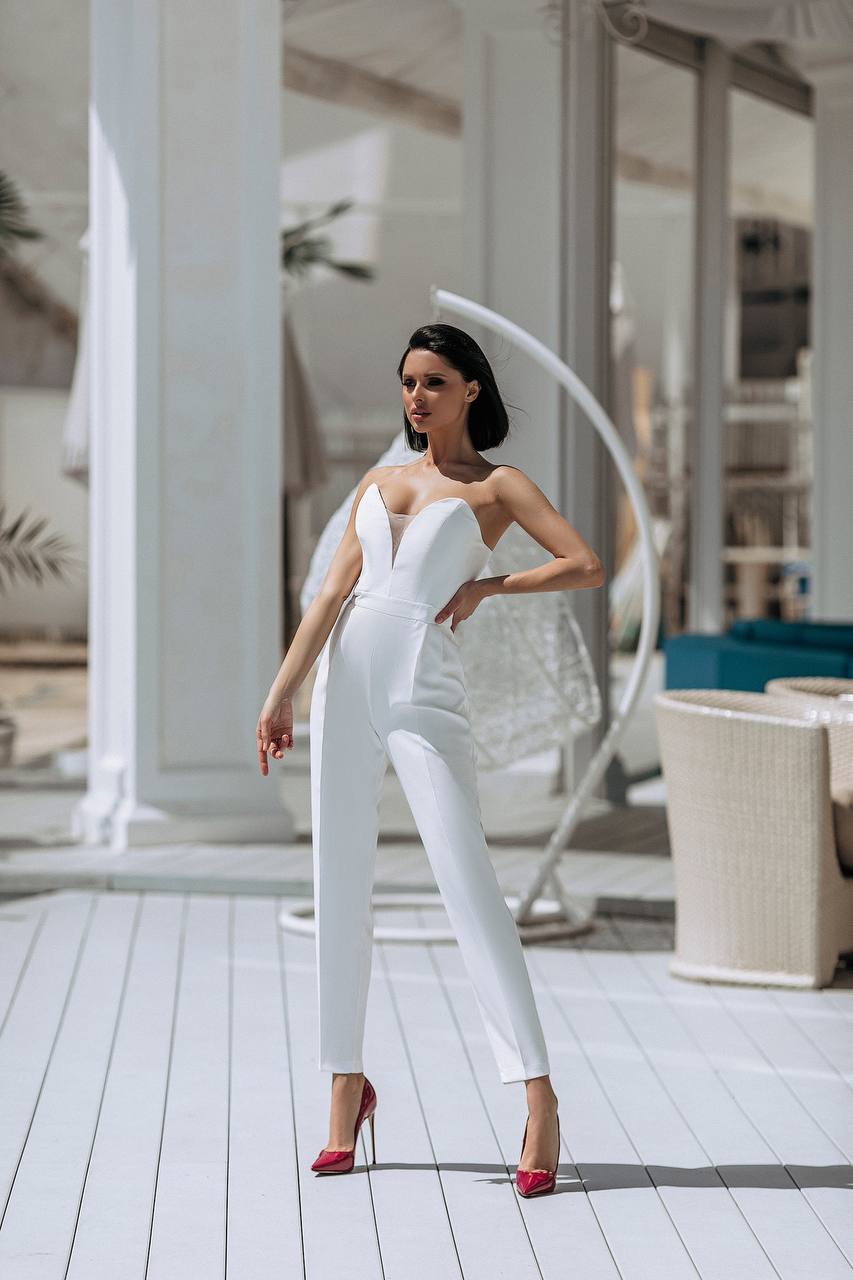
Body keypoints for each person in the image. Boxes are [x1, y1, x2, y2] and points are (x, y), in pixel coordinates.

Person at [257, 323, 605, 1197]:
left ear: (470, 391)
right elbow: (334, 592)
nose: (416, 397)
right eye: (408, 382)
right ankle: (344, 1086)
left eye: (434, 382)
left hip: (426, 696)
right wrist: (282, 692)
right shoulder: (379, 481)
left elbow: (585, 564)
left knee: (468, 884)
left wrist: (491, 585)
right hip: (345, 692)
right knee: (338, 882)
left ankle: (537, 1095)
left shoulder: (497, 486)